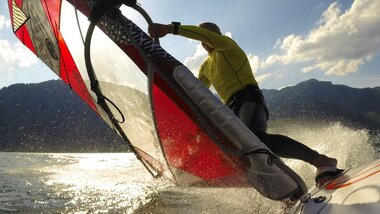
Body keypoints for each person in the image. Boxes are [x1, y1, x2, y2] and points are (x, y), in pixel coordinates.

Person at [148, 22, 342, 188]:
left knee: (254, 140)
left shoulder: (228, 47)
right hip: (230, 109)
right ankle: (286, 191)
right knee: (238, 154)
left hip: (249, 98)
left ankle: (321, 161)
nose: (204, 42)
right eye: (202, 41)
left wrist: (169, 28)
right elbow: (196, 90)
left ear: (216, 36)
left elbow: (203, 33)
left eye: (207, 37)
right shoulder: (206, 66)